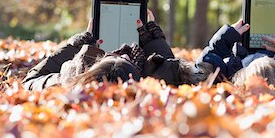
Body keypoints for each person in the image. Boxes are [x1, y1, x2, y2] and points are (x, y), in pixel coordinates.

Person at [23, 11, 203, 91]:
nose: (123, 52)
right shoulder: (152, 89)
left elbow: (30, 81)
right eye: (125, 59)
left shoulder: (69, 81)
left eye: (112, 56)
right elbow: (170, 75)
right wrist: (154, 41)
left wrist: (75, 47)